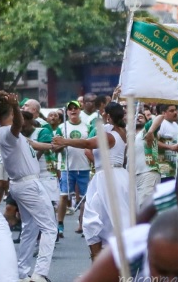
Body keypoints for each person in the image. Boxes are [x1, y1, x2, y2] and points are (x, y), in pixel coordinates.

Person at [0, 91, 56, 282]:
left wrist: (55, 145)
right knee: (50, 228)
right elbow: (18, 124)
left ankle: (22, 273)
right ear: (10, 110)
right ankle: (40, 274)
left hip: (22, 184)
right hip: (28, 184)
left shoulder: (10, 134)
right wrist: (16, 107)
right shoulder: (7, 132)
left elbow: (33, 144)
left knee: (30, 228)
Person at [53, 102, 132, 261]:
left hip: (108, 178)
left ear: (108, 116)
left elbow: (88, 143)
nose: (101, 116)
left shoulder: (109, 135)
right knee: (110, 219)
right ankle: (106, 259)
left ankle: (99, 259)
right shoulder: (121, 131)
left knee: (94, 219)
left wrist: (65, 141)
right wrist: (115, 98)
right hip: (118, 176)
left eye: (104, 114)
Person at [56, 100, 92, 238]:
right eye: (70, 109)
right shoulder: (62, 127)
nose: (72, 111)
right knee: (64, 196)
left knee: (84, 198)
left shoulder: (87, 127)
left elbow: (91, 144)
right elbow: (55, 147)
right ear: (67, 112)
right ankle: (60, 224)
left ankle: (82, 224)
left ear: (79, 110)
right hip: (67, 166)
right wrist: (62, 144)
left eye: (75, 108)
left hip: (83, 166)